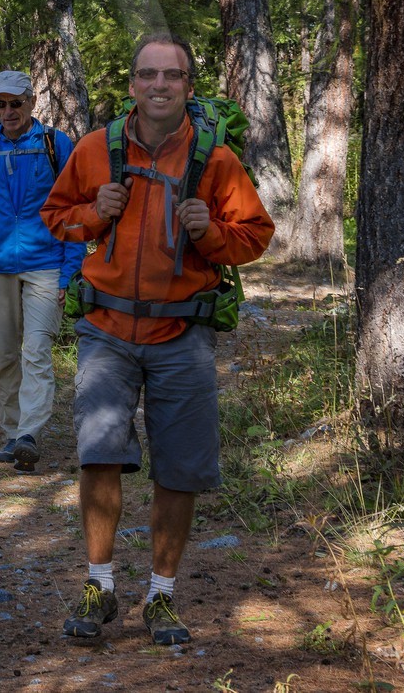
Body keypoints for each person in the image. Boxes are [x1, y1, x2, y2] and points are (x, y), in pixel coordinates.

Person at [41, 32, 273, 646]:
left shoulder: (215, 160)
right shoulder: (96, 150)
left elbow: (256, 235)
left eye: (172, 76)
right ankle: (99, 585)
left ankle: (162, 597)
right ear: (132, 85)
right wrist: (96, 213)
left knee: (181, 469)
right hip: (106, 330)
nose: (160, 86)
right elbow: (55, 217)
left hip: (182, 333)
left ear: (188, 87)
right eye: (148, 75)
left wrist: (212, 232)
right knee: (98, 454)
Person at [0, 70, 86, 473]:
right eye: (1, 104)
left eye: (16, 103)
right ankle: (12, 433)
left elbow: (75, 209)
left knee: (37, 350)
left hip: (45, 263)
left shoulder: (54, 144)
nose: (8, 111)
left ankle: (30, 432)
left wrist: (69, 271)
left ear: (31, 102)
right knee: (4, 355)